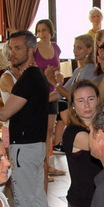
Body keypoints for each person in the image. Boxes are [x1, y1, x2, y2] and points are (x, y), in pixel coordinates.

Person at [0, 30, 51, 207]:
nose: (12, 53)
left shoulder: (29, 78)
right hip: (36, 146)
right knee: (37, 198)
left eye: (17, 48)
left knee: (24, 202)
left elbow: (4, 114)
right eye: (11, 48)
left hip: (24, 148)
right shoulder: (37, 76)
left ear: (31, 50)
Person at [34, 19, 65, 177]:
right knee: (39, 130)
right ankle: (39, 166)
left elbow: (58, 68)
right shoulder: (34, 49)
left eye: (45, 30)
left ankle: (48, 165)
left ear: (50, 31)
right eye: (39, 30)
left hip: (52, 92)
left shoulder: (55, 47)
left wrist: (58, 77)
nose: (42, 33)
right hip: (38, 92)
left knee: (49, 130)